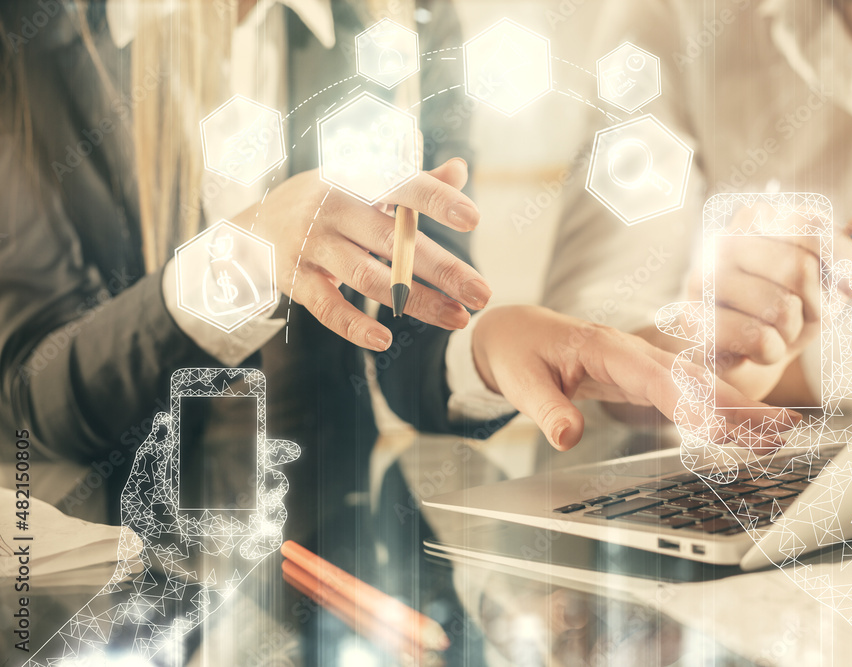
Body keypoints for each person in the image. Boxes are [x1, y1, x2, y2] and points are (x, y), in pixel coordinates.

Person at [0, 1, 793, 663]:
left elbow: (406, 331)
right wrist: (243, 255)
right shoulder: (29, 36)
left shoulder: (396, 19)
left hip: (322, 571)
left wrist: (486, 346)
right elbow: (43, 400)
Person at [542, 0, 852, 413]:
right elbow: (589, 340)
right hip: (724, 474)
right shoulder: (675, 16)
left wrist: (793, 374)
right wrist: (719, 357)